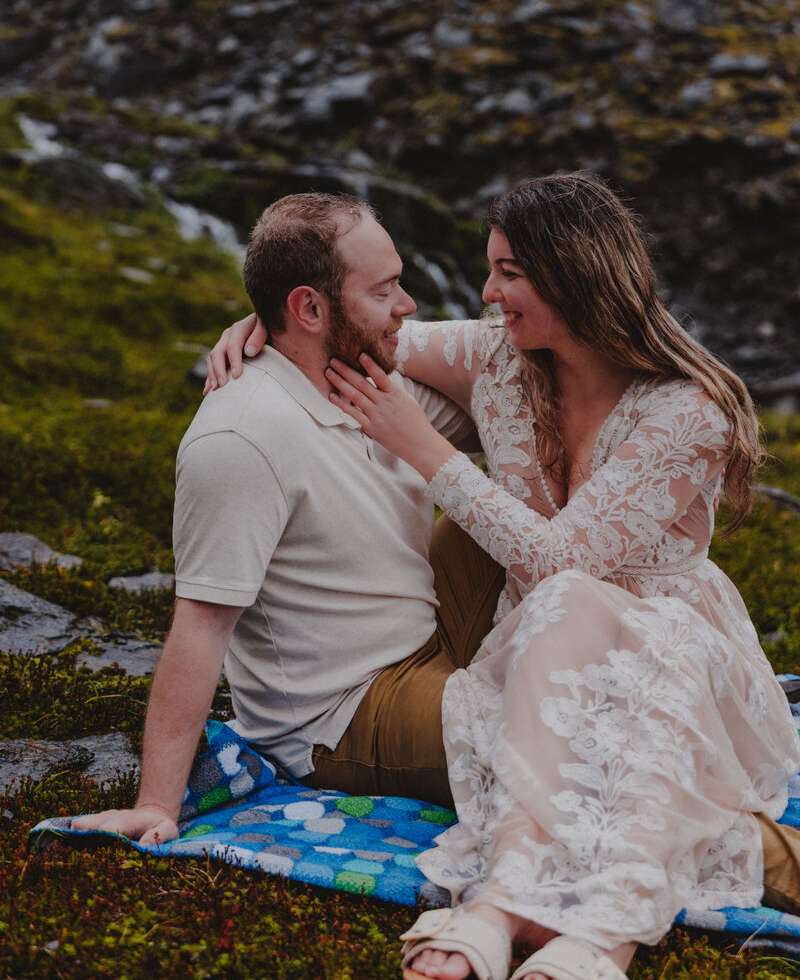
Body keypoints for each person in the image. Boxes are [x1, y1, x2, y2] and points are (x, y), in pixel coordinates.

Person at [208, 172, 800, 980]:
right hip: (539, 638)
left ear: (577, 275)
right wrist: (262, 320)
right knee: (560, 646)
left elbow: (563, 563)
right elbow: (349, 323)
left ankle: (583, 925)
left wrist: (424, 450)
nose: (488, 293)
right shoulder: (494, 353)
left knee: (606, 658)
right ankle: (527, 905)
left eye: (509, 272)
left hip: (670, 645)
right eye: (491, 270)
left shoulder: (688, 411)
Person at [73, 191, 504, 847]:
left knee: (533, 503)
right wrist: (157, 804)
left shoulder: (367, 376)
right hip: (348, 715)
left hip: (428, 629)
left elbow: (529, 366)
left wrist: (270, 320)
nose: (408, 306)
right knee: (565, 738)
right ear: (308, 308)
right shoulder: (242, 437)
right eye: (386, 289)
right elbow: (201, 625)